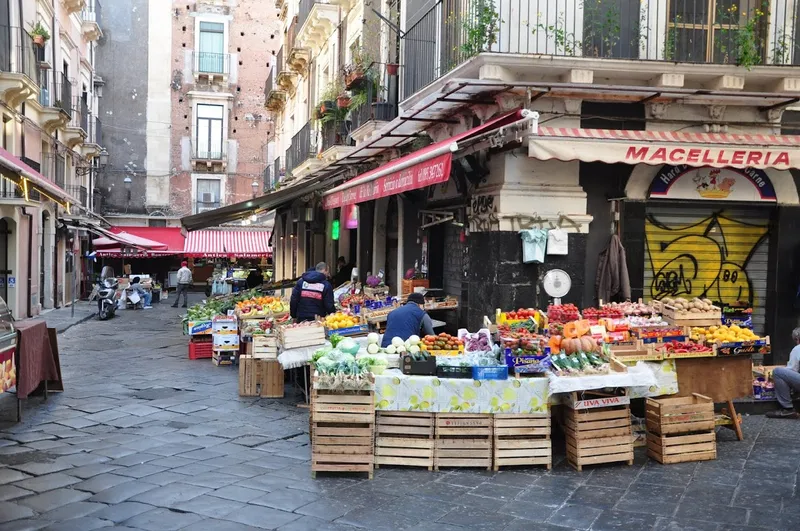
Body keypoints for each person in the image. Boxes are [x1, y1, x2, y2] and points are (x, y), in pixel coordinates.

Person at [767, 327, 800, 419]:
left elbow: (792, 370)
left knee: (778, 372)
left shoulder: (798, 348)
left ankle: (787, 409)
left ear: (797, 339)